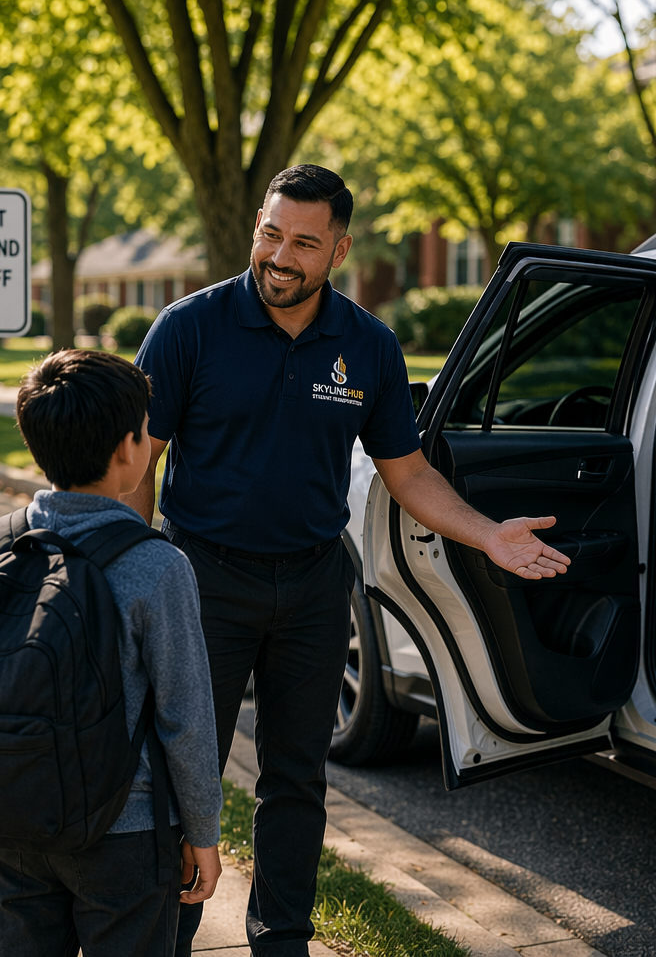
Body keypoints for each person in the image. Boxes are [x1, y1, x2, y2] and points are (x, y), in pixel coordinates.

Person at [127, 164, 571, 957]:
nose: (279, 256)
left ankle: (281, 939)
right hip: (203, 580)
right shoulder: (188, 327)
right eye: (270, 233)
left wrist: (488, 534)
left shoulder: (367, 345)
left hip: (312, 585)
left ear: (339, 249)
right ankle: (168, 935)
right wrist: (131, 574)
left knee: (296, 780)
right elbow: (139, 463)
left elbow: (407, 472)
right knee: (182, 776)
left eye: (303, 242)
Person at [0, 350, 222, 957]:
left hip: (15, 817)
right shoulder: (155, 564)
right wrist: (202, 833)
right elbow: (186, 717)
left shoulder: (5, 545)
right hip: (125, 832)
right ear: (130, 449)